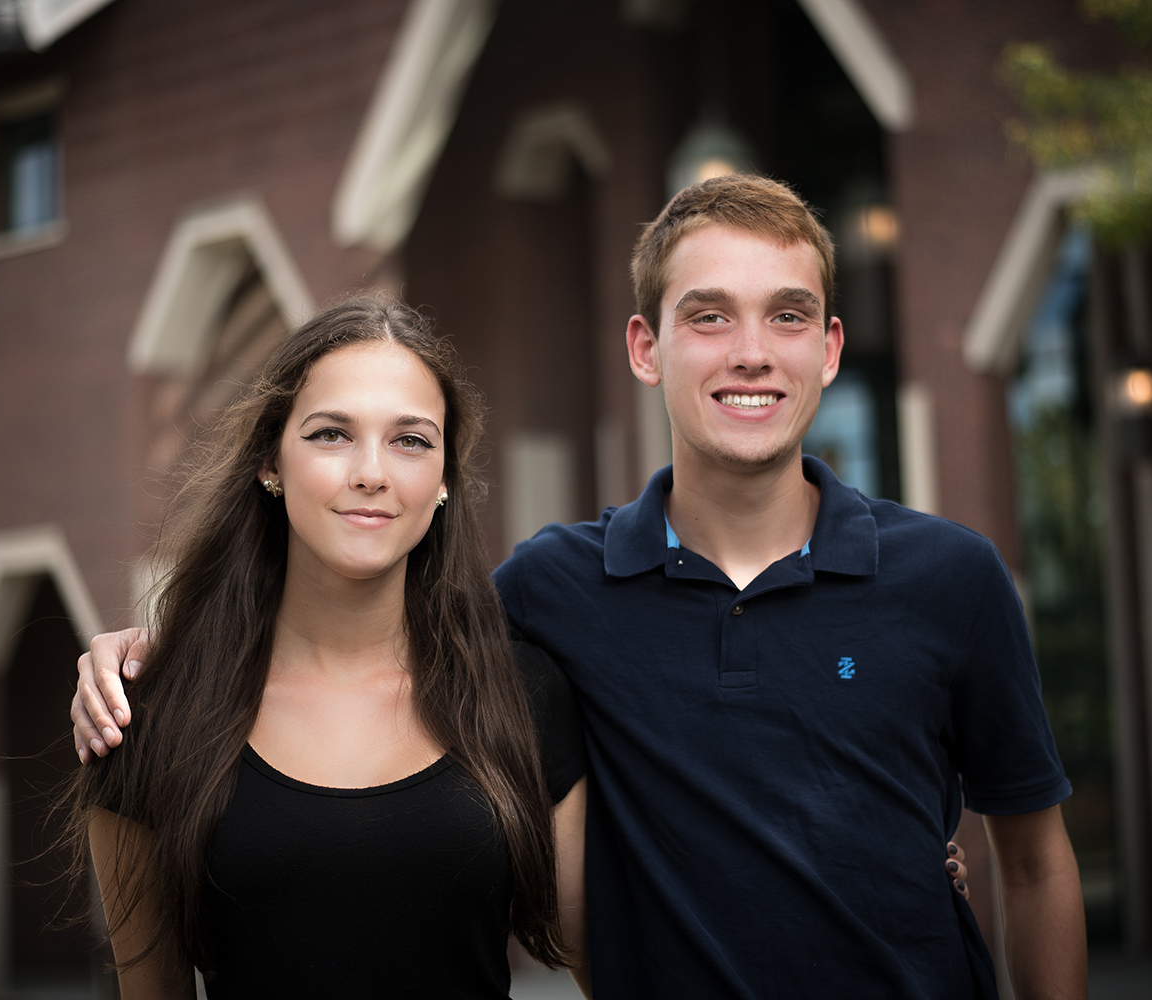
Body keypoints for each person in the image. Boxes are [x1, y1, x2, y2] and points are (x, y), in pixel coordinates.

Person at [77, 174, 1074, 999]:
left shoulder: (951, 578)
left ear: (829, 348)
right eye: (708, 316)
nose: (751, 352)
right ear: (645, 348)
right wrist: (158, 654)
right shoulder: (556, 589)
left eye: (787, 315)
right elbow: (370, 628)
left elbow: (1033, 865)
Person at [58, 296, 590, 998]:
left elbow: (608, 967)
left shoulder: (525, 695)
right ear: (270, 464)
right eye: (331, 434)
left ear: (443, 484)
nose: (371, 472)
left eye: (410, 440)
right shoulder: (148, 714)